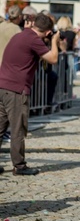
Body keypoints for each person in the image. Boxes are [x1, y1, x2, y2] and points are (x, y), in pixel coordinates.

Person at [0, 13, 60, 175]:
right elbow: (53, 58)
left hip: (2, 86)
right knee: (18, 129)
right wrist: (54, 42)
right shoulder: (33, 39)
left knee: (0, 127)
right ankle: (19, 166)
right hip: (16, 90)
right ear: (48, 32)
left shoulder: (20, 35)